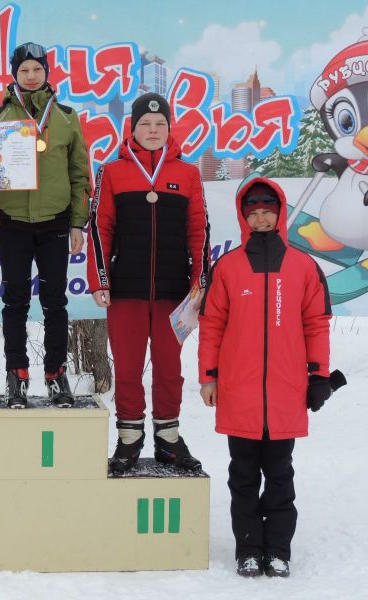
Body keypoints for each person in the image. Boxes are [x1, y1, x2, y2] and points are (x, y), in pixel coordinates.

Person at [198, 174, 334, 577]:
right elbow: (211, 325)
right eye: (253, 212)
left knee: (279, 476)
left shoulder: (303, 266)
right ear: (243, 217)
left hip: (285, 391)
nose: (260, 218)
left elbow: (317, 324)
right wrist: (209, 377)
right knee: (242, 477)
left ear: (280, 214)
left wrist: (319, 375)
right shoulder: (228, 267)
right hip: (239, 391)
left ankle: (277, 550)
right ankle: (248, 550)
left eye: (267, 211)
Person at [86, 93, 210, 474]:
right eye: (145, 124)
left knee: (170, 369)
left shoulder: (188, 174)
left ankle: (168, 439)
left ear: (169, 129)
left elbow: (199, 230)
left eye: (160, 125)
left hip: (174, 293)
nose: (153, 130)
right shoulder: (112, 172)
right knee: (127, 368)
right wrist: (100, 279)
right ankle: (129, 439)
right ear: (133, 129)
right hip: (126, 290)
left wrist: (199, 283)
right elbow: (99, 227)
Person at [0, 42, 90, 409]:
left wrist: (77, 223)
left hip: (55, 223)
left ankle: (56, 373)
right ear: (14, 74)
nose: (32, 75)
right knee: (15, 301)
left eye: (37, 69)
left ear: (47, 72)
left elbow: (79, 175)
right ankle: (16, 375)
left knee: (55, 302)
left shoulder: (66, 117)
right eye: (24, 70)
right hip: (14, 223)